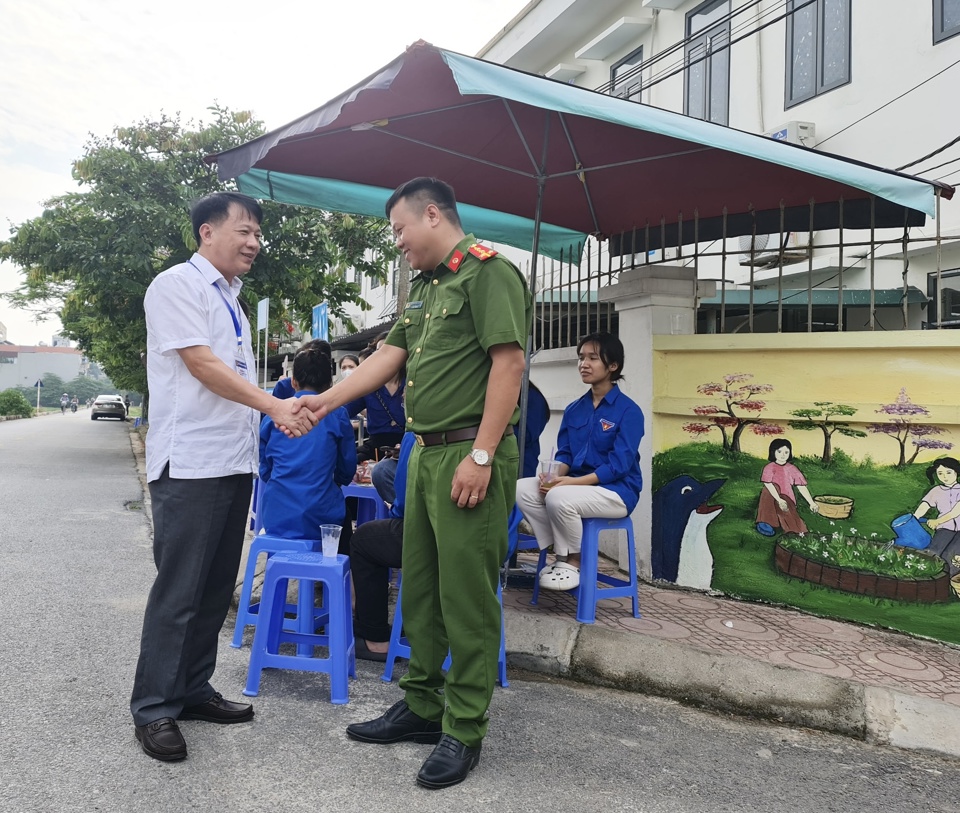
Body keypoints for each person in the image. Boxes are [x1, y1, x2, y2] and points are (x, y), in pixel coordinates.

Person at [286, 177, 530, 790]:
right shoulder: (423, 288)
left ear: (432, 216)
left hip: (469, 452)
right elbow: (383, 360)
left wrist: (481, 453)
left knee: (465, 595)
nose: (398, 243)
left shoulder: (488, 273)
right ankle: (423, 705)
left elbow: (510, 364)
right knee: (419, 585)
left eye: (400, 230)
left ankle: (464, 726)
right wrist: (324, 402)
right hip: (423, 453)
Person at [130, 191, 316, 763]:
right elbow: (202, 365)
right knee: (179, 590)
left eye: (258, 234)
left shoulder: (232, 299)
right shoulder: (176, 286)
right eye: (245, 231)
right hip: (190, 463)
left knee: (214, 589)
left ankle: (192, 688)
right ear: (207, 232)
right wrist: (275, 407)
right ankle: (155, 708)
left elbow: (231, 378)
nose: (255, 243)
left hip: (234, 462)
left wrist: (271, 417)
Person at [515, 333, 643, 591]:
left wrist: (570, 483)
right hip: (576, 488)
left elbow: (619, 465)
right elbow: (565, 454)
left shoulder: (629, 411)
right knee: (522, 488)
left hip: (616, 492)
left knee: (557, 498)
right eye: (581, 357)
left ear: (613, 366)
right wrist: (553, 477)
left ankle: (574, 560)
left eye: (593, 358)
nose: (584, 364)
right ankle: (560, 551)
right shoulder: (575, 409)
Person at [258, 346, 355, 542]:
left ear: (293, 381)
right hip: (323, 518)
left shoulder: (273, 417)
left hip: (276, 515)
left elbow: (265, 469)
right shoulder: (338, 414)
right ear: (330, 383)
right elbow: (347, 468)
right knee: (345, 531)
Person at [351, 431, 415, 662]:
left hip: (432, 537)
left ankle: (375, 640)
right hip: (482, 537)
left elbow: (405, 506)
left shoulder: (419, 433)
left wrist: (395, 508)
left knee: (363, 541)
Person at [346, 331, 405, 462]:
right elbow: (343, 411)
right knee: (347, 462)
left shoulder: (413, 384)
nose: (384, 356)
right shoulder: (368, 385)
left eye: (391, 351)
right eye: (379, 352)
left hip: (407, 447)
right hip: (376, 447)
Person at [755, 438, 819, 535]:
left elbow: (801, 486)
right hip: (772, 498)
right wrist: (778, 500)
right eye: (779, 451)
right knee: (770, 488)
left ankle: (796, 531)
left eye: (786, 452)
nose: (783, 455)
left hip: (786, 498)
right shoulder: (769, 467)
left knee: (794, 526)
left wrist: (811, 503)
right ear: (773, 452)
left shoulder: (791, 468)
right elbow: (768, 484)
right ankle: (766, 522)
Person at [913, 456, 960, 576]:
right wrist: (913, 519)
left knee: (952, 556)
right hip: (944, 528)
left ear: (956, 472)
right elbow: (924, 505)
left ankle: (950, 584)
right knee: (933, 552)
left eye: (949, 472)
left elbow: (956, 511)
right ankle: (925, 578)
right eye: (940, 473)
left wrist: (937, 521)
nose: (945, 476)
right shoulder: (936, 490)